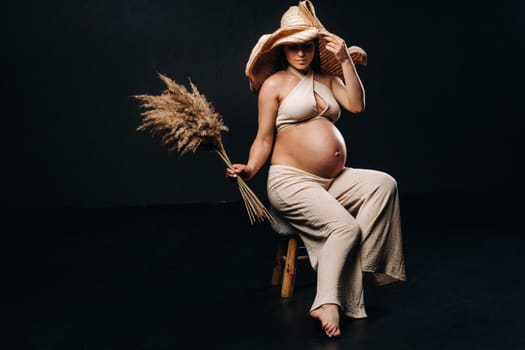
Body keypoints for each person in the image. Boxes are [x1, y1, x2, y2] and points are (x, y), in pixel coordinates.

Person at [226, 0, 406, 338]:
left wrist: (344, 61)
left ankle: (357, 269)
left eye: (306, 45)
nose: (300, 53)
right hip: (291, 182)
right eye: (293, 46)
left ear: (314, 46)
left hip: (331, 179)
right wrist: (250, 168)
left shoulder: (326, 76)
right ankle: (327, 301)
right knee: (345, 230)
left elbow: (356, 104)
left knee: (384, 185)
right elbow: (264, 138)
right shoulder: (274, 85)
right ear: (282, 48)